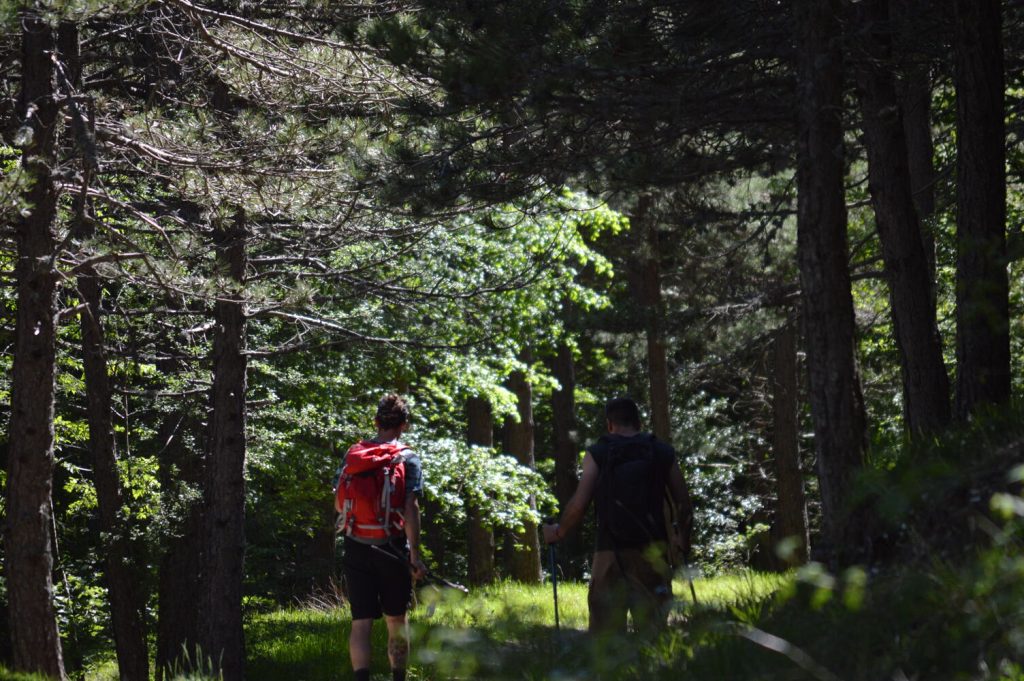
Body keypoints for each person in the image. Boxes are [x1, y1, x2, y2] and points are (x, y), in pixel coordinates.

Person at [543, 396, 693, 636]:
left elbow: (579, 504)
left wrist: (558, 531)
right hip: (653, 553)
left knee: (606, 641)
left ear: (609, 424)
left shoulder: (598, 453)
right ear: (638, 422)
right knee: (654, 636)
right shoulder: (662, 452)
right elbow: (683, 502)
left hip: (608, 553)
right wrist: (682, 539)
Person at [341, 393, 427, 681]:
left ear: (376, 422)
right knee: (396, 620)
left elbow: (339, 502)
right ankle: (398, 678)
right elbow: (410, 509)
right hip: (392, 547)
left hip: (356, 545)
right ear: (404, 425)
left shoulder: (355, 455)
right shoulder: (408, 458)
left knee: (361, 623)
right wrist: (414, 556)